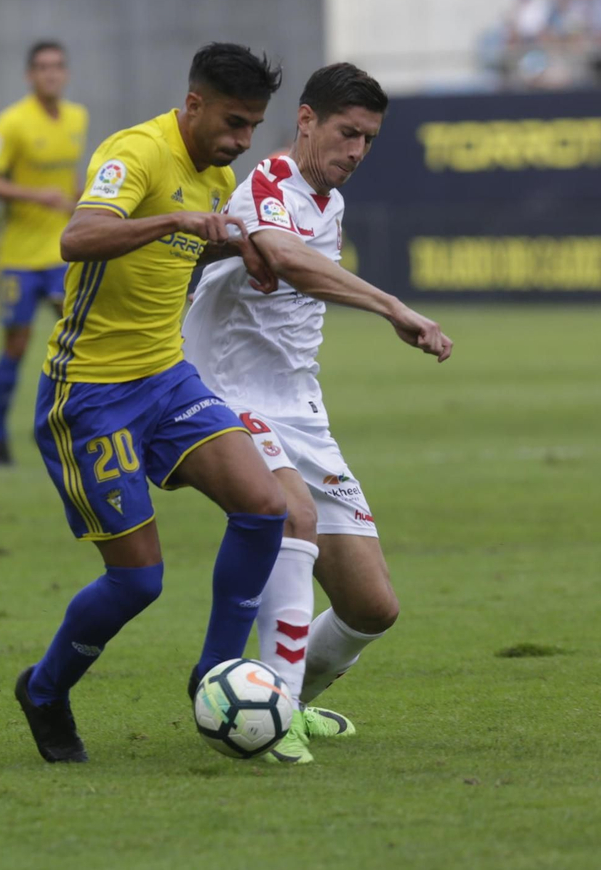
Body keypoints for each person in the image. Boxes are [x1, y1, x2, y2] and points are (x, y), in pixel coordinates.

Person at [13, 42, 291, 764]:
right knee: (138, 581)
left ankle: (216, 676)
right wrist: (172, 222)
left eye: (253, 127)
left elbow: (187, 252)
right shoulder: (134, 153)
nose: (241, 142)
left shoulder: (217, 173)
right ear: (193, 103)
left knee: (265, 508)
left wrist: (237, 251)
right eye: (233, 122)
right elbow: (77, 239)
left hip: (168, 380)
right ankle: (44, 690)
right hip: (92, 394)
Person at [182, 63, 453, 764]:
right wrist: (392, 305)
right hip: (227, 395)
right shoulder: (268, 184)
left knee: (372, 607)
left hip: (301, 409)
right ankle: (273, 718)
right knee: (290, 516)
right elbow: (285, 258)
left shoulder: (329, 204)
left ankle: (289, 701)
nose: (356, 152)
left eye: (368, 140)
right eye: (346, 133)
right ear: (306, 121)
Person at [0, 41, 87, 466]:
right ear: (29, 75)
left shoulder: (77, 118)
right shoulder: (12, 123)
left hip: (61, 252)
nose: (50, 74)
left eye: (57, 66)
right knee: (16, 346)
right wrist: (34, 195)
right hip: (19, 257)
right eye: (42, 67)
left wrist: (82, 199)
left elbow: (67, 177)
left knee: (80, 341)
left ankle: (75, 428)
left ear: (66, 73)